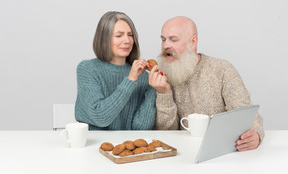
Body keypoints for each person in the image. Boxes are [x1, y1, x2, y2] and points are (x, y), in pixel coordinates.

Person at [148, 16, 264, 151]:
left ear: (193, 41)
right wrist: (164, 93)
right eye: (163, 39)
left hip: (221, 151)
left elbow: (244, 111)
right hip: (180, 154)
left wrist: (255, 133)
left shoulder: (222, 68)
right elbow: (167, 132)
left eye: (173, 40)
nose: (165, 45)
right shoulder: (159, 76)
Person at [75, 11, 156, 130]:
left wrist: (153, 88)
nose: (127, 41)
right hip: (93, 144)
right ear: (103, 40)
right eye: (119, 35)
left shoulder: (143, 76)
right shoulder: (87, 69)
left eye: (130, 35)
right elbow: (100, 117)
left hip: (124, 146)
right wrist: (130, 80)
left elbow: (140, 128)